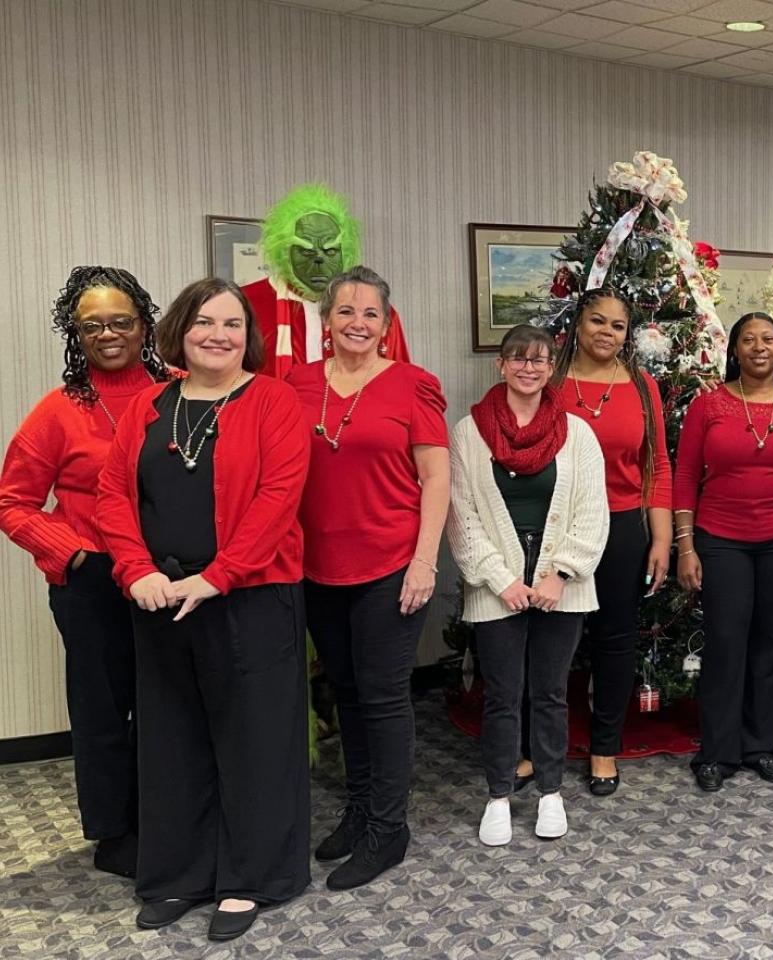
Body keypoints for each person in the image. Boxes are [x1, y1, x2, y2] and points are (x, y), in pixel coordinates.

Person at [97, 278, 310, 942]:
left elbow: (279, 498)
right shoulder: (148, 406)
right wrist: (134, 570)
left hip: (250, 598)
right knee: (171, 743)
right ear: (180, 330)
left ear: (249, 337)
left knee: (254, 743)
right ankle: (179, 875)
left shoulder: (274, 400)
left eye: (233, 325)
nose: (219, 335)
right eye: (205, 322)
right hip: (158, 601)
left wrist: (218, 576)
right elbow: (111, 493)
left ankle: (249, 879)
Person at [0, 266, 171, 879]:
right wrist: (69, 551)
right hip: (95, 580)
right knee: (103, 709)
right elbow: (12, 501)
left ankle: (172, 815)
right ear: (75, 332)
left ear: (144, 325)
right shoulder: (58, 411)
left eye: (121, 321)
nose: (108, 333)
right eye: (92, 324)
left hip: (170, 578)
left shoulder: (178, 390)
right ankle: (114, 832)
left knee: (170, 703)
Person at [286, 266, 450, 888]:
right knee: (345, 694)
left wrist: (425, 560)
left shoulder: (414, 385)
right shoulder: (295, 384)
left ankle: (389, 827)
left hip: (391, 565)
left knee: (382, 699)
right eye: (346, 312)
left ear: (388, 323)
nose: (358, 323)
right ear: (326, 321)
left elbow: (436, 478)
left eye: (371, 314)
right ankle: (358, 811)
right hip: (317, 566)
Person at [447, 325, 608, 846]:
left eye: (540, 360)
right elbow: (461, 516)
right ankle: (497, 794)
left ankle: (550, 792)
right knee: (501, 696)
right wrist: (502, 580)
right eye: (519, 358)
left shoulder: (577, 433)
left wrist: (560, 574)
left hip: (562, 588)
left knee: (551, 693)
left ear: (550, 368)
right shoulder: (468, 433)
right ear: (501, 365)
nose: (529, 368)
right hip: (497, 590)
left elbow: (591, 512)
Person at [675, 312, 773, 793]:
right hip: (721, 538)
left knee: (771, 642)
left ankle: (761, 744)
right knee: (725, 641)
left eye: (768, 339)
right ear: (734, 350)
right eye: (748, 340)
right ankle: (718, 750)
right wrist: (685, 545)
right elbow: (683, 478)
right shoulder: (709, 405)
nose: (759, 347)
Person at [551, 288, 673, 795]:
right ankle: (540, 748)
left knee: (615, 642)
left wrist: (662, 538)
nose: (607, 332)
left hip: (623, 527)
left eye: (618, 326)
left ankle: (605, 747)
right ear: (577, 325)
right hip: (558, 527)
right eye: (597, 321)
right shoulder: (551, 382)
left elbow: (658, 466)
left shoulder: (642, 386)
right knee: (551, 642)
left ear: (628, 334)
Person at [241, 183, 410, 378]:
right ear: (284, 253)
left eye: (330, 251)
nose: (319, 260)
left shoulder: (374, 313)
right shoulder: (246, 304)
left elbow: (399, 381)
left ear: (344, 253)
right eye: (306, 251)